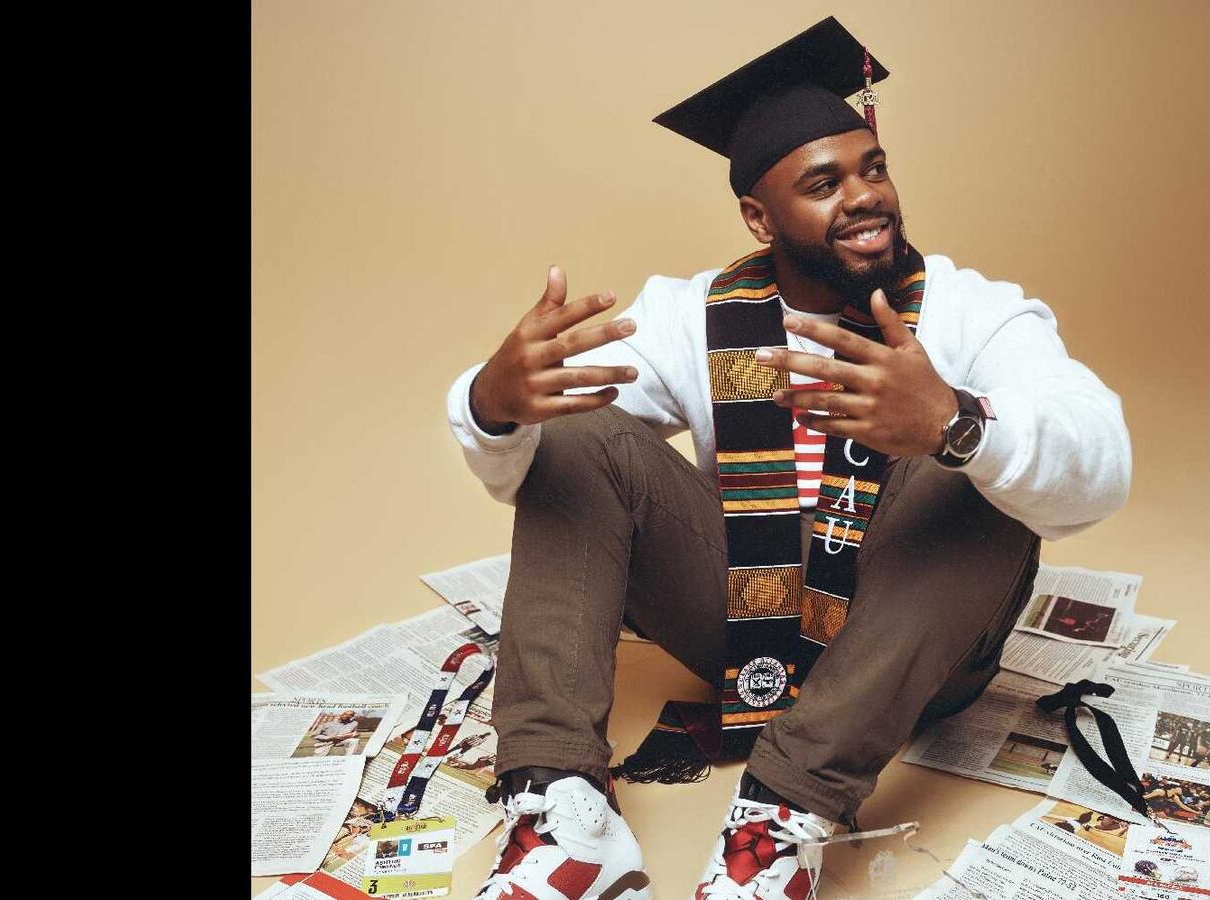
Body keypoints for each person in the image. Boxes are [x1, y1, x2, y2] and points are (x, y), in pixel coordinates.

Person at [445, 17, 1131, 900]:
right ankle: (560, 808)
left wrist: (954, 423)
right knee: (578, 427)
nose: (864, 197)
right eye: (824, 183)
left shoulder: (972, 311)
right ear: (760, 217)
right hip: (747, 627)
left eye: (872, 168)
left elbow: (1103, 458)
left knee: (973, 462)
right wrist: (492, 404)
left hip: (911, 645)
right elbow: (547, 443)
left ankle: (773, 826)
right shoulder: (693, 314)